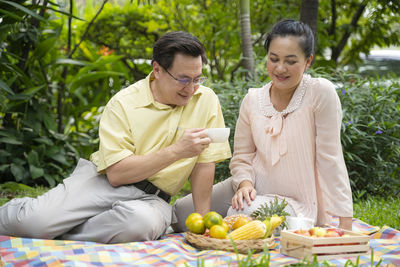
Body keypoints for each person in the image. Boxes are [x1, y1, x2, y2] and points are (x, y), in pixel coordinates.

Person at [0, 31, 231, 243]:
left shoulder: (206, 100)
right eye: (183, 80)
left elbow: (204, 164)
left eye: (197, 79)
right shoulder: (123, 103)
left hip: (153, 200)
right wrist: (176, 151)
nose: (191, 89)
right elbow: (117, 174)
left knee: (139, 225)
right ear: (158, 70)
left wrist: (202, 223)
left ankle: (60, 230)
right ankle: (36, 218)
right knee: (35, 223)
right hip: (100, 183)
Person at [172, 19, 353, 232]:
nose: (280, 68)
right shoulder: (252, 100)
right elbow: (242, 157)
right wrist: (244, 184)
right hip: (251, 189)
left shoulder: (320, 93)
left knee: (244, 214)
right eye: (273, 59)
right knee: (182, 213)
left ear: (308, 61)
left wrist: (345, 221)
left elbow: (330, 158)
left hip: (299, 203)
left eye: (291, 61)